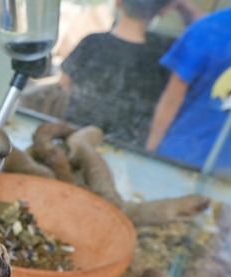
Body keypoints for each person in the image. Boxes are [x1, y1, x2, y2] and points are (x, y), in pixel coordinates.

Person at [60, 0, 203, 148]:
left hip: (74, 140)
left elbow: (63, 86)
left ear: (118, 2)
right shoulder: (165, 55)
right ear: (164, 10)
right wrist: (183, 5)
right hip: (128, 151)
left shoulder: (92, 42)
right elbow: (207, 34)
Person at [146, 8, 231, 171]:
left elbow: (171, 100)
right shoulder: (209, 28)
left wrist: (148, 154)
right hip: (185, 160)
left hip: (178, 157)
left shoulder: (209, 27)